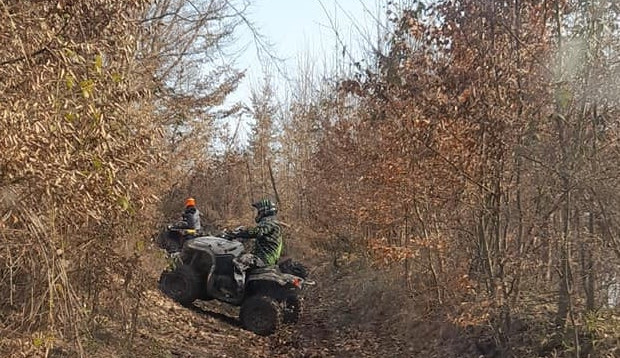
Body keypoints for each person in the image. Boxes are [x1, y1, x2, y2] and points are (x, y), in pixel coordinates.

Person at [229, 198, 283, 291]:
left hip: (264, 258)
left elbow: (257, 232)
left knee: (237, 261)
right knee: (245, 256)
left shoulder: (269, 222)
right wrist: (243, 234)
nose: (257, 213)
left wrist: (238, 234)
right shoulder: (273, 222)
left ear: (264, 211)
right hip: (268, 257)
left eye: (258, 211)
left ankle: (237, 289)